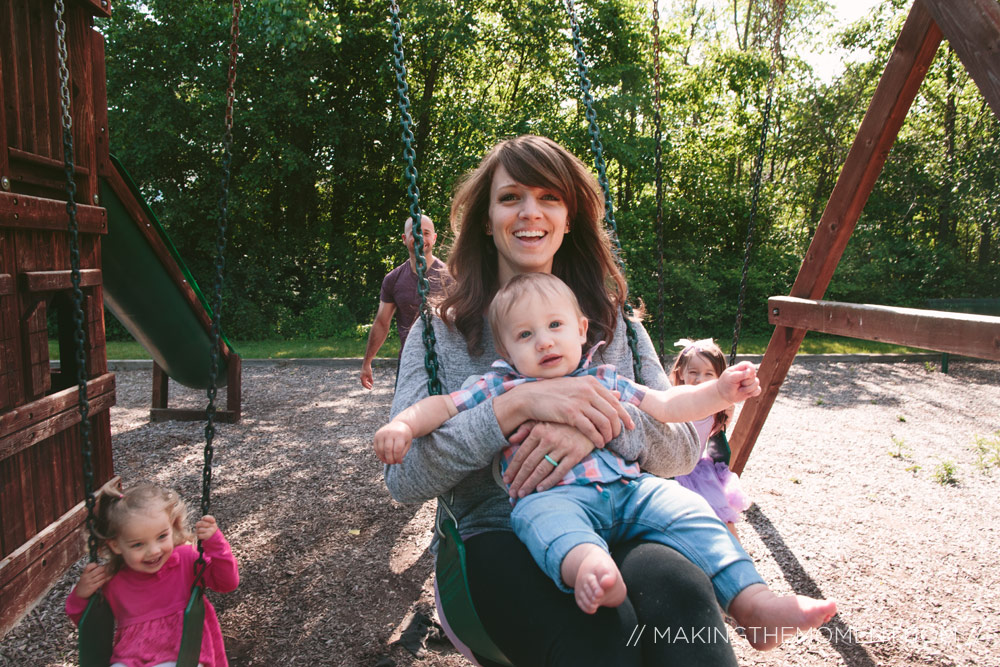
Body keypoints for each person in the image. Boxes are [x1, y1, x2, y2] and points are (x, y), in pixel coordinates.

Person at [383, 135, 834, 666]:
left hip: (625, 509)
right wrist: (514, 409)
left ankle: (753, 604)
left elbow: (681, 449)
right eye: (511, 198)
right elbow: (404, 477)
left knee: (689, 616)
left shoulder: (611, 322)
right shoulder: (442, 333)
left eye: (549, 197)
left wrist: (594, 422)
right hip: (501, 528)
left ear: (569, 217)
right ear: (486, 218)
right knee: (603, 641)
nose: (531, 212)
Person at [375, 272, 835, 639]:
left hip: (630, 490)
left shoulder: (605, 376)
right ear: (506, 350)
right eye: (526, 334)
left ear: (580, 330)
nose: (544, 342)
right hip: (552, 496)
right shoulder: (501, 384)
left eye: (555, 327)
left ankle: (752, 601)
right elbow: (441, 406)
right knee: (544, 523)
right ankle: (592, 571)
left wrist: (717, 390)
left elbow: (669, 406)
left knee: (693, 510)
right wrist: (403, 424)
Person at [65, 480, 239, 667]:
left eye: (162, 536)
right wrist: (81, 595)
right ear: (115, 545)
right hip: (130, 658)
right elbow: (93, 626)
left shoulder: (186, 560)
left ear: (171, 528)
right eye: (138, 544)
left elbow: (227, 583)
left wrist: (215, 543)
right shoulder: (113, 579)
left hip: (184, 652)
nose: (154, 551)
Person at [670, 338, 752, 539]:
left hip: (700, 470)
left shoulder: (719, 407)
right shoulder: (673, 399)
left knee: (724, 518)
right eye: (693, 372)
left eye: (709, 374)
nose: (700, 379)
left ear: (719, 378)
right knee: (684, 522)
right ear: (681, 373)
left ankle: (738, 560)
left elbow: (716, 431)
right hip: (673, 471)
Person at [360, 214, 448, 389]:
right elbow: (382, 323)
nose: (420, 237)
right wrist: (367, 362)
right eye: (414, 232)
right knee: (404, 414)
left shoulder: (451, 277)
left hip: (445, 362)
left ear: (434, 238)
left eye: (426, 233)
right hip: (409, 361)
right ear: (404, 238)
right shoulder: (393, 279)